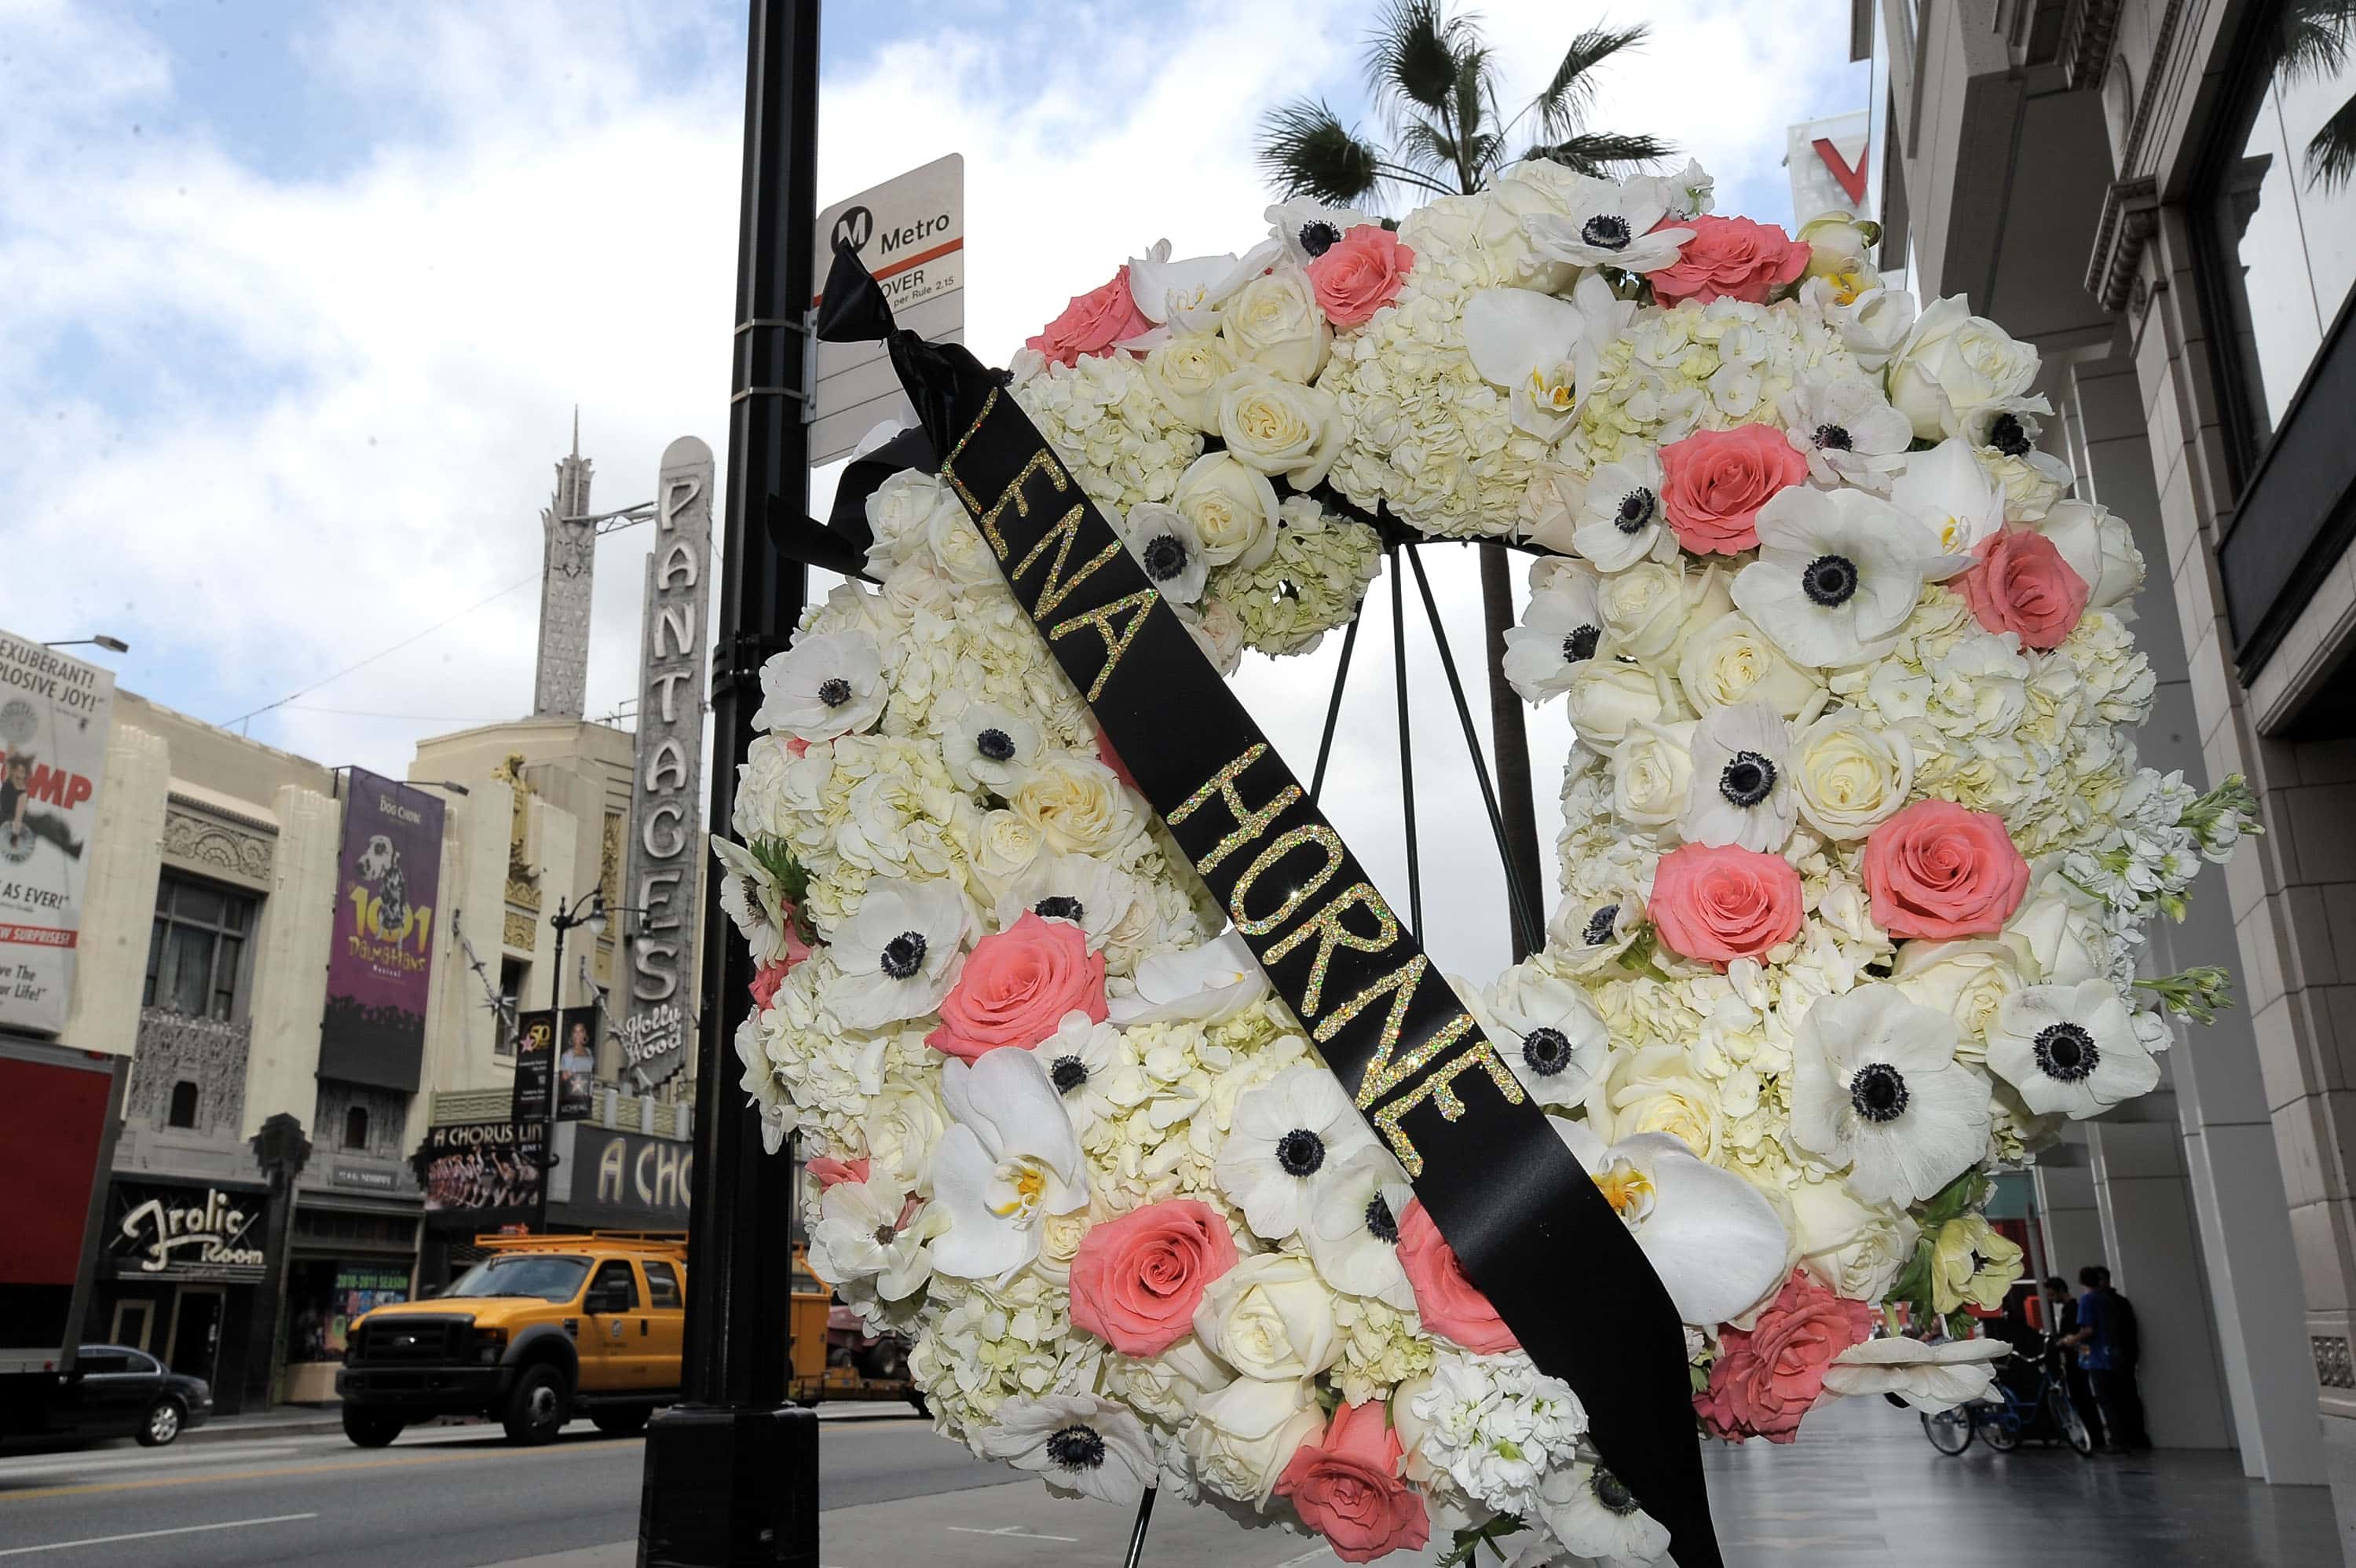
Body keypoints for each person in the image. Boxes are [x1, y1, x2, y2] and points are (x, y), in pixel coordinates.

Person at [2065, 1264, 2147, 1452]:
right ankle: (2133, 1436)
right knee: (2125, 1397)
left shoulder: (2087, 1301)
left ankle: (2117, 1439)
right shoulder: (2111, 1300)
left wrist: (2071, 1340)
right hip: (2116, 1355)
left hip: (2098, 1357)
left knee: (2106, 1399)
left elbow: (2088, 1329)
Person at [2042, 1274, 2103, 1443]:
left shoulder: (2073, 1308)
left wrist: (2064, 1341)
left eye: (2052, 1294)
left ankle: (2094, 1436)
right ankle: (2093, 1436)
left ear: (2061, 1290)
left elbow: (2079, 1333)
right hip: (2076, 1358)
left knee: (2082, 1398)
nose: (2050, 1299)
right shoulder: (2069, 1308)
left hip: (2078, 1359)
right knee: (2081, 1397)